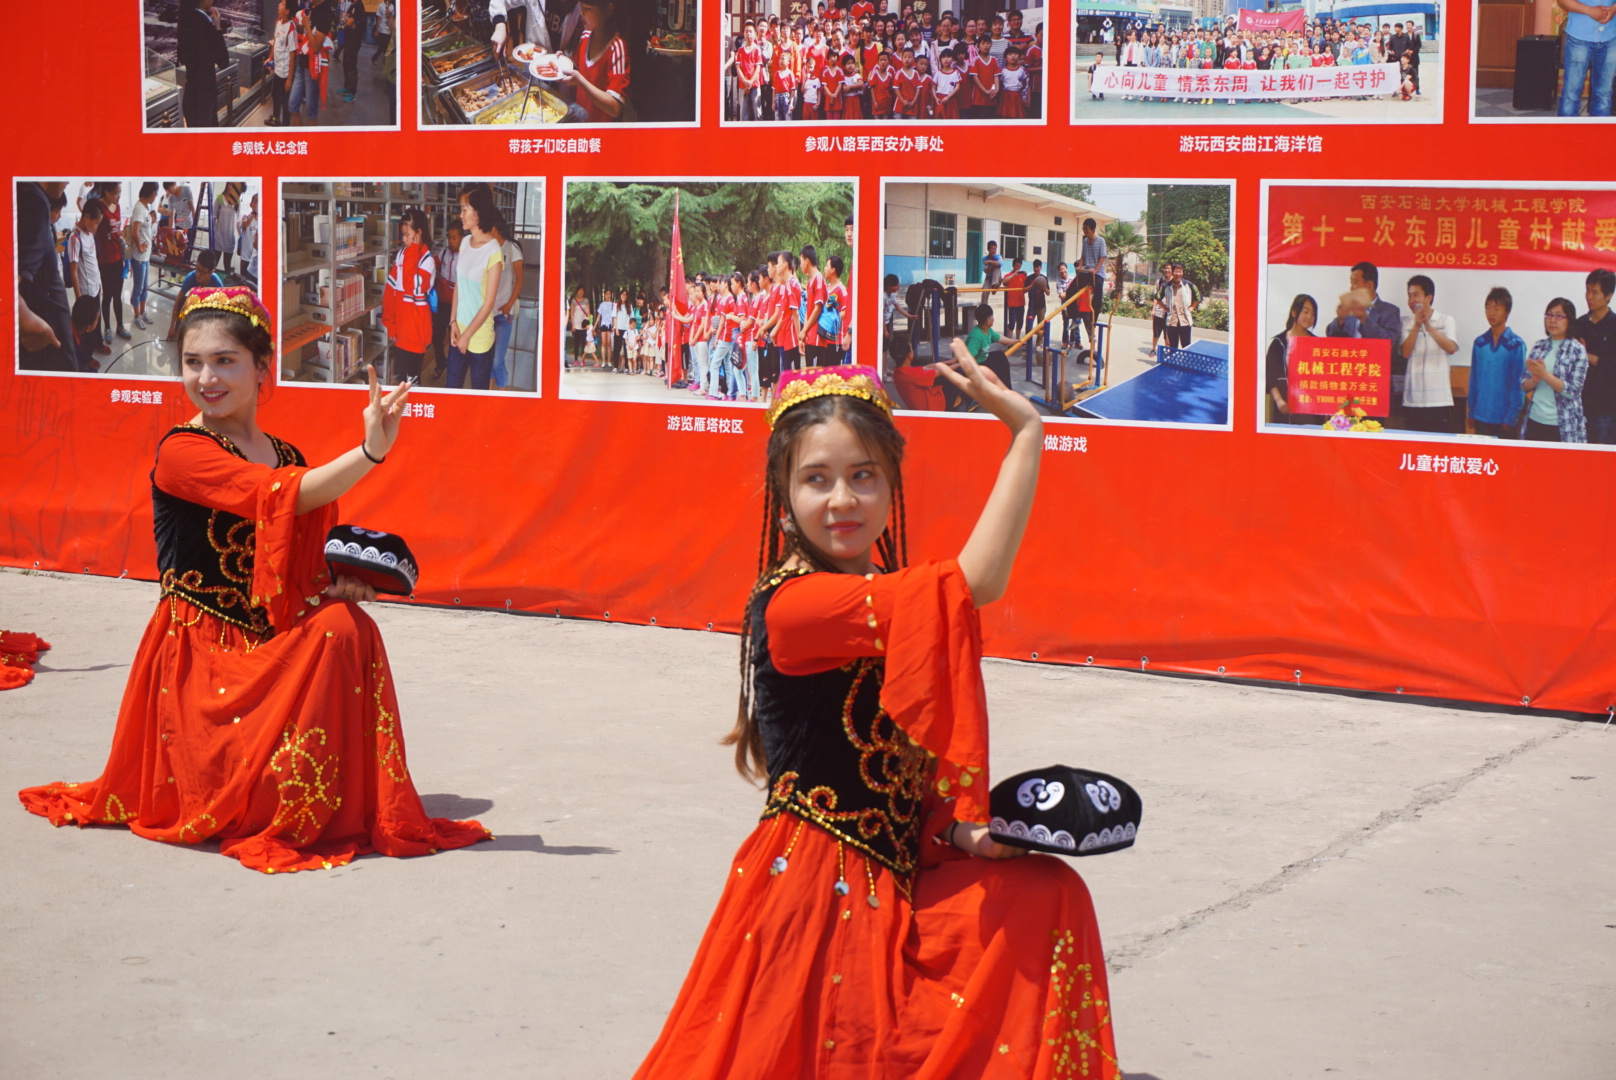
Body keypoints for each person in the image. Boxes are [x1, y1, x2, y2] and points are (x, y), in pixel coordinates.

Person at [632, 353, 1118, 1078]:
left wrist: (964, 832)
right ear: (783, 494)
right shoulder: (794, 607)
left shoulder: (885, 599)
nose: (842, 500)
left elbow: (898, 768)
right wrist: (1026, 434)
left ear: (893, 485)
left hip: (896, 870)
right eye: (817, 479)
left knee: (1048, 894)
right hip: (817, 887)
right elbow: (977, 583)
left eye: (864, 476)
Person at [18, 287, 492, 872]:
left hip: (263, 643)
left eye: (225, 360)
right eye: (193, 362)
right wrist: (371, 451)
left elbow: (295, 572)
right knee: (333, 641)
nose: (206, 378)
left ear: (262, 366)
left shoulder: (285, 454)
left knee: (347, 626)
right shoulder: (183, 451)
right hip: (199, 663)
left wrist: (333, 589)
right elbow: (281, 496)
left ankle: (329, 799)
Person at [447, 186, 506, 390]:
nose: (460, 215)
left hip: (479, 339)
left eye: (465, 209)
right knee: (451, 390)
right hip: (458, 332)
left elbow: (489, 304)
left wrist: (467, 336)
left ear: (478, 213)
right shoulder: (464, 242)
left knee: (478, 397)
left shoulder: (493, 250)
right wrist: (453, 321)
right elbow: (459, 285)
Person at [1397, 274, 1459, 432]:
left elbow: (1451, 348)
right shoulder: (1406, 323)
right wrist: (1417, 325)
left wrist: (1428, 327)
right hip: (1412, 399)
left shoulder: (1445, 320)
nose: (1412, 300)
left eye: (1416, 295)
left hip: (1439, 400)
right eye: (1409, 296)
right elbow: (1405, 353)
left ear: (1429, 297)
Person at [1522, 297, 1589, 442]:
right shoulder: (1539, 347)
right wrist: (1534, 380)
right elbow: (1523, 385)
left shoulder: (1577, 350)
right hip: (1535, 419)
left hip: (1563, 424)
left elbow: (1573, 390)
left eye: (1559, 316)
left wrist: (1544, 375)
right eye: (1549, 315)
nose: (1552, 320)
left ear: (1569, 320)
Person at [381, 209, 437, 383]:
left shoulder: (428, 261)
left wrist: (413, 251)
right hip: (401, 330)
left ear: (419, 233)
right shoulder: (401, 255)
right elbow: (390, 290)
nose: (404, 239)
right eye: (402, 234)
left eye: (407, 235)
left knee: (413, 380)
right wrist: (390, 323)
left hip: (416, 331)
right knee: (400, 379)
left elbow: (410, 287)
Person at [1467, 287, 1527, 439]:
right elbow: (1474, 379)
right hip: (1480, 416)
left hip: (1504, 420)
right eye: (1488, 308)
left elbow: (1518, 383)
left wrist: (1512, 416)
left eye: (1496, 308)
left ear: (1507, 312)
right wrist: (1471, 411)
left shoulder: (1515, 344)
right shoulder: (1479, 343)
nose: (1491, 313)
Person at [567, 0, 632, 122]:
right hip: (581, 122)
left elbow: (615, 108)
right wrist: (562, 62)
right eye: (581, 6)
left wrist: (580, 81)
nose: (581, 12)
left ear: (608, 10)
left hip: (601, 128)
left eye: (588, 8)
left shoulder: (616, 47)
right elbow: (577, 67)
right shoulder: (585, 36)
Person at [1574, 268, 1616, 443]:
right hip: (1579, 404)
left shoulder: (1613, 325)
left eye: (1595, 292)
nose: (1589, 297)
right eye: (1587, 291)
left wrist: (1586, 356)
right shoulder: (1579, 324)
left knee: (1602, 455)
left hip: (1605, 408)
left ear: (1608, 296)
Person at [67, 199, 109, 364]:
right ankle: (87, 357)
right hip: (85, 293)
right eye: (96, 222)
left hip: (95, 287)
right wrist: (79, 300)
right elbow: (73, 271)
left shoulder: (89, 234)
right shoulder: (75, 238)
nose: (96, 227)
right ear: (86, 217)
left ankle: (98, 343)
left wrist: (99, 283)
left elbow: (92, 260)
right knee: (86, 327)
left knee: (96, 319)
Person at [1556, 0, 1615, 116]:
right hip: (1579, 37)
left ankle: (1599, 127)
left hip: (1611, 37)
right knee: (1571, 94)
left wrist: (1613, 9)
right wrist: (1589, 10)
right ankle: (1566, 127)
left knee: (1604, 94)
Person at [177, 0, 230, 128]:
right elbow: (223, 62)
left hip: (191, 90)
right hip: (204, 93)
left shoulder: (185, 19)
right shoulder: (205, 24)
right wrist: (217, 27)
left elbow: (182, 58)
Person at [1266, 293, 1317, 424]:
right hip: (1286, 408)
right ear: (1294, 312)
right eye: (1306, 312)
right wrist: (1279, 400)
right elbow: (1270, 375)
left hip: (1311, 409)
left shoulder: (1317, 343)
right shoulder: (1279, 343)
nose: (1310, 317)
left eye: (1313, 313)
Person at [488, 219, 525, 389]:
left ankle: (502, 392)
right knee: (489, 357)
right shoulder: (489, 248)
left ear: (495, 228)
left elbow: (519, 280)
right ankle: (489, 394)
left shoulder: (511, 248)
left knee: (497, 360)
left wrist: (509, 305)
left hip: (504, 314)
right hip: (488, 313)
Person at [93, 182, 131, 343]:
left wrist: (124, 246)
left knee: (118, 295)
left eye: (120, 192)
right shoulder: (99, 207)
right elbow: (94, 231)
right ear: (107, 191)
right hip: (105, 261)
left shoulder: (118, 206)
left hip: (118, 259)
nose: (118, 196)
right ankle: (107, 327)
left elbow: (117, 232)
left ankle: (120, 326)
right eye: (116, 192)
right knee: (107, 296)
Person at [167, 249, 226, 342]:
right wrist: (172, 328)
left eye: (203, 271)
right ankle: (179, 329)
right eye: (197, 268)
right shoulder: (191, 277)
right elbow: (177, 303)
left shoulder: (217, 285)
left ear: (211, 272)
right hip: (197, 305)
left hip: (209, 309)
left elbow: (224, 312)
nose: (198, 274)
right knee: (183, 302)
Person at [127, 183, 159, 332]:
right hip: (139, 257)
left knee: (144, 287)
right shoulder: (139, 208)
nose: (156, 196)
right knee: (138, 288)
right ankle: (137, 316)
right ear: (152, 193)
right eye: (156, 193)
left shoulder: (145, 208)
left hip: (145, 257)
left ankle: (143, 312)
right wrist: (140, 247)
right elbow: (135, 232)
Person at [268, 0, 297, 124]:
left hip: (285, 73)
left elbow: (292, 55)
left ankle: (285, 126)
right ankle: (275, 119)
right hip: (278, 70)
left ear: (287, 11)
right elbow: (275, 41)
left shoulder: (291, 28)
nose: (279, 5)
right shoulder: (278, 22)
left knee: (286, 102)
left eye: (282, 4)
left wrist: (289, 79)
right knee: (275, 95)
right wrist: (270, 58)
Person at [1161, 262, 1199, 350]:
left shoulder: (1189, 285)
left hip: (1185, 321)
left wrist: (1192, 307)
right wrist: (1164, 307)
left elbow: (1198, 297)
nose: (1178, 274)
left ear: (1183, 272)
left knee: (1186, 347)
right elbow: (1157, 298)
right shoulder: (1166, 286)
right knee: (1172, 347)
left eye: (1180, 271)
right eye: (1176, 271)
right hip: (1172, 322)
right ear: (1172, 272)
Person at [212, 182, 241, 276]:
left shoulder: (237, 201)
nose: (232, 186)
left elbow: (238, 222)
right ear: (227, 184)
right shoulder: (219, 199)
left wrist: (241, 236)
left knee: (227, 267)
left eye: (234, 185)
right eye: (231, 184)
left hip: (230, 238)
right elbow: (214, 218)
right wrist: (212, 235)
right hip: (218, 237)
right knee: (213, 265)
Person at [1079, 219, 1106, 315]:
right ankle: (1076, 315)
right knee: (1073, 289)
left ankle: (1093, 318)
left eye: (1086, 228)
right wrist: (1080, 267)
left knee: (1097, 295)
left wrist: (1095, 270)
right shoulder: (1085, 241)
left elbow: (1102, 258)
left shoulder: (1101, 241)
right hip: (1087, 271)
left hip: (1098, 273)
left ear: (1093, 229)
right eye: (1083, 228)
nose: (1084, 231)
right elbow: (1082, 257)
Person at [568, 287, 592, 367]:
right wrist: (573, 325)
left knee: (583, 344)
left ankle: (582, 360)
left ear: (584, 292)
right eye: (579, 290)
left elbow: (588, 312)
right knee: (576, 343)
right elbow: (572, 313)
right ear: (577, 291)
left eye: (582, 291)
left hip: (584, 325)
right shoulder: (573, 301)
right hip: (576, 325)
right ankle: (575, 360)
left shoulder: (586, 301)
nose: (580, 292)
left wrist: (588, 323)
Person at [372, 0, 394, 65]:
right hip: (382, 29)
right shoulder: (381, 6)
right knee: (384, 47)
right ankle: (384, 62)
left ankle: (374, 58)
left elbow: (392, 18)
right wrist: (376, 30)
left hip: (389, 29)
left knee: (384, 47)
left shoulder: (392, 6)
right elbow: (378, 19)